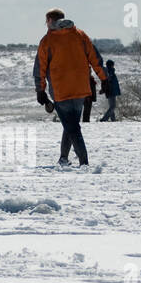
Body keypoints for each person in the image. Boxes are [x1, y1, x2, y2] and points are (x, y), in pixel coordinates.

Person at [36, 9, 107, 166]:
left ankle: (84, 162)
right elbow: (95, 59)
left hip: (61, 91)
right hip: (81, 89)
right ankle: (63, 158)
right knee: (70, 124)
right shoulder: (80, 35)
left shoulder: (47, 41)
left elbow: (40, 68)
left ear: (49, 20)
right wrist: (104, 78)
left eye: (45, 21)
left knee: (72, 127)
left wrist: (40, 90)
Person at [81, 43, 103, 122]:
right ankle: (85, 121)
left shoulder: (90, 78)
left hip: (89, 97)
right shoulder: (87, 79)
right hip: (87, 97)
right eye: (89, 70)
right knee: (86, 111)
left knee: (87, 111)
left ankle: (86, 121)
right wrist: (87, 96)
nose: (90, 71)